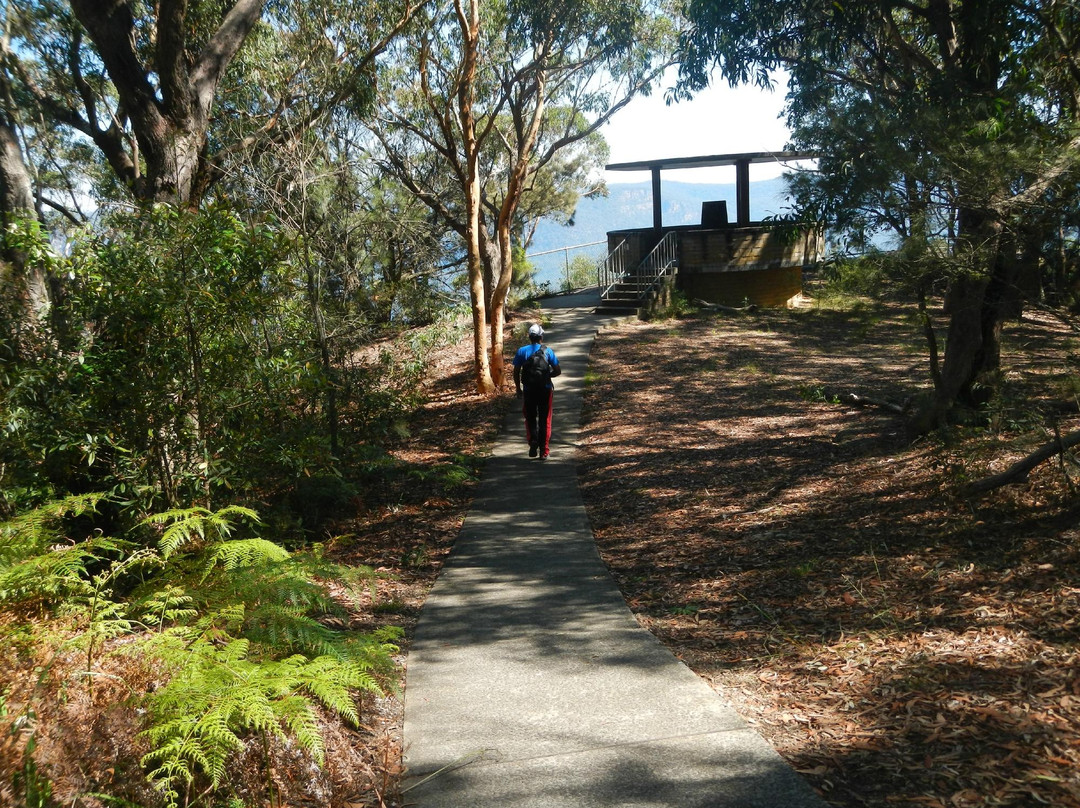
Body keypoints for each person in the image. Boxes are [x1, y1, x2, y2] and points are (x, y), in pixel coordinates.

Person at [513, 323, 561, 459]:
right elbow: (558, 371)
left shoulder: (522, 351)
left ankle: (533, 441)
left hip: (529, 390)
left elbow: (516, 372)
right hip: (545, 390)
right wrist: (546, 376)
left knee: (530, 417)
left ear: (529, 337)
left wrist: (518, 388)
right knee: (545, 420)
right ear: (541, 336)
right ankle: (544, 451)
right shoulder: (548, 351)